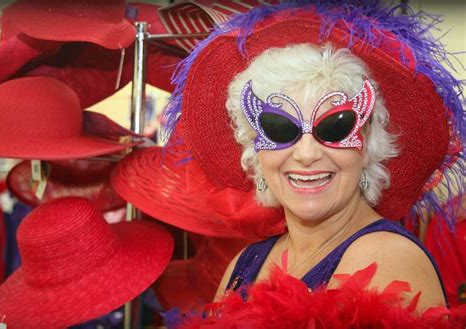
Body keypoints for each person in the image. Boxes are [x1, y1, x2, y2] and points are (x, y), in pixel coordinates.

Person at [112, 0, 464, 324]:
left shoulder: (387, 260)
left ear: (369, 145)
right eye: (280, 129)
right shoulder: (245, 264)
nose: (307, 154)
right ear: (254, 151)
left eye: (335, 126)